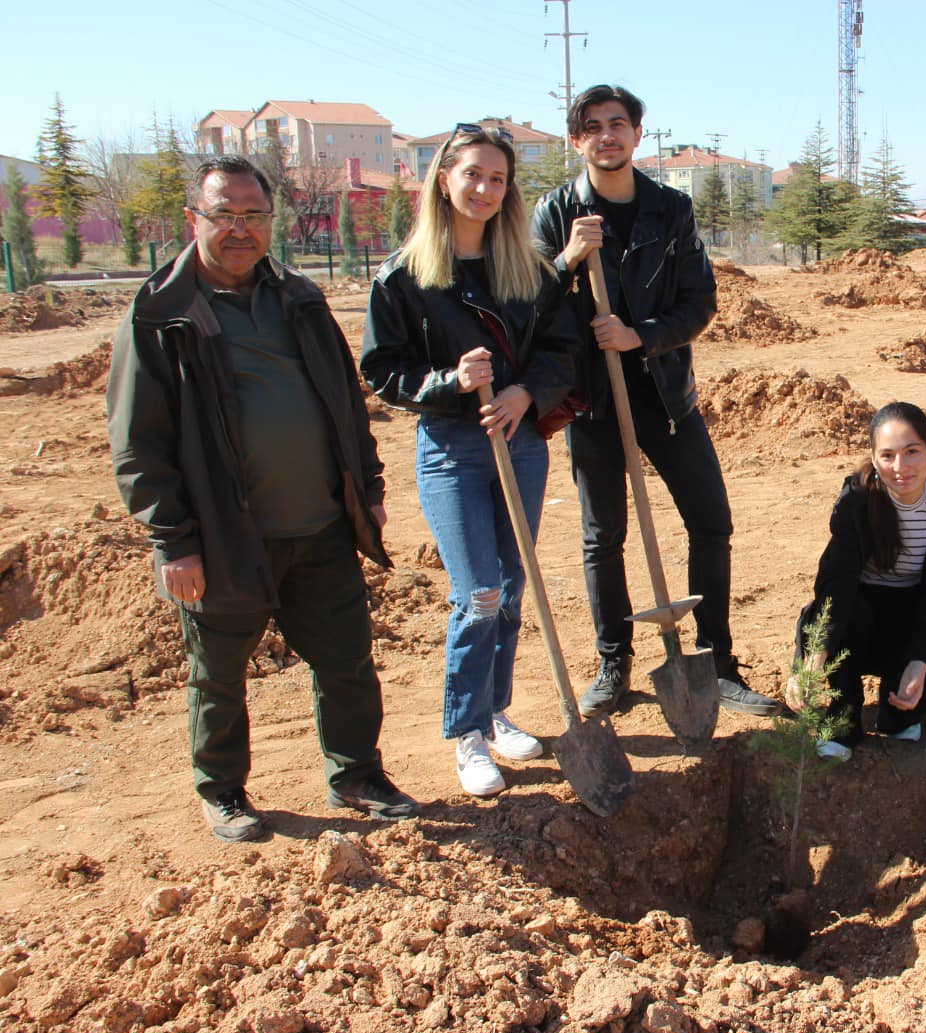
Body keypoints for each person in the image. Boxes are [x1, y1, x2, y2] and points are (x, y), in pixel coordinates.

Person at [107, 156, 417, 842]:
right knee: (218, 675)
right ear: (195, 220)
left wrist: (365, 490)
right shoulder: (162, 314)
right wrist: (173, 541)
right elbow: (138, 446)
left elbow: (345, 405)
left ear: (272, 222)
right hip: (223, 539)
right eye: (224, 215)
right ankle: (223, 792)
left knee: (346, 660)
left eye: (253, 216)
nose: (239, 229)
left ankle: (357, 775)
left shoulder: (300, 301)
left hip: (321, 529)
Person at [532, 84, 779, 718]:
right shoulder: (554, 213)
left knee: (710, 521)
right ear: (576, 139)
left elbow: (699, 302)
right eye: (592, 126)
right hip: (591, 400)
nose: (606, 135)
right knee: (602, 536)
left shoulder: (671, 209)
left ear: (638, 134)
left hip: (666, 393)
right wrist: (567, 260)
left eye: (618, 124)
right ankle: (614, 662)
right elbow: (526, 308)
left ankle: (716, 660)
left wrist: (640, 335)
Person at [362, 123, 580, 799]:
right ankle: (466, 733)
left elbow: (561, 350)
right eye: (472, 175)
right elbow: (381, 369)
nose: (485, 189)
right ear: (443, 179)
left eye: (498, 179)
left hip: (519, 443)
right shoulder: (403, 277)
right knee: (479, 591)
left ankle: (496, 710)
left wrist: (525, 391)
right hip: (452, 449)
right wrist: (448, 383)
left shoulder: (528, 269)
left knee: (513, 587)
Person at [784, 403, 926, 761]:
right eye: (887, 455)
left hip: (914, 614)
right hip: (859, 613)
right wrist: (814, 657)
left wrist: (921, 661)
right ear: (874, 459)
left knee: (901, 720)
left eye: (912, 452)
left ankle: (897, 701)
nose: (900, 468)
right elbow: (836, 582)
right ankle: (843, 714)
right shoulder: (858, 500)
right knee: (838, 615)